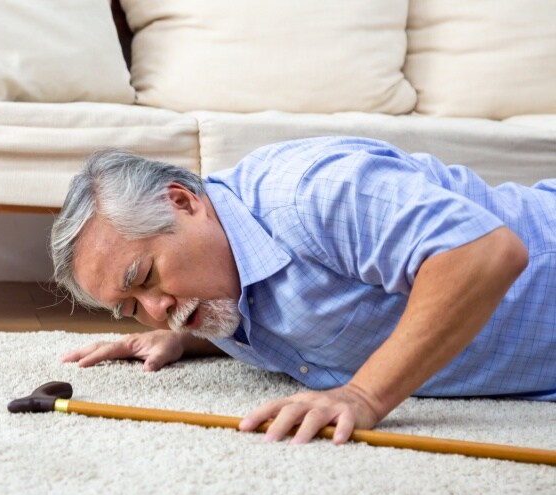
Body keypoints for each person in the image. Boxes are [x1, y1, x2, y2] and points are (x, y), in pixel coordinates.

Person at [51, 136, 556, 445]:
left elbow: (484, 254)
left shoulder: (311, 193)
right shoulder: (209, 288)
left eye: (144, 279)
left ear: (182, 202)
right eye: (129, 307)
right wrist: (184, 336)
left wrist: (363, 395)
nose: (156, 309)